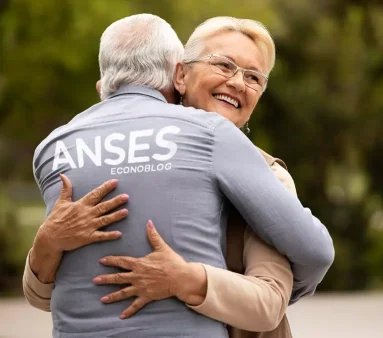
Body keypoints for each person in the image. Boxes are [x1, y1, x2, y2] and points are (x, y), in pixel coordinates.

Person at [23, 14, 334, 338]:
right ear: (181, 74)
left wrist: (186, 280)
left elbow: (273, 300)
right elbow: (54, 294)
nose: (239, 82)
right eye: (224, 65)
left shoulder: (270, 175)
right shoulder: (117, 154)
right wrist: (49, 241)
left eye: (254, 77)